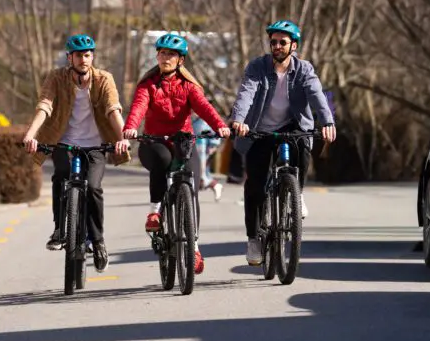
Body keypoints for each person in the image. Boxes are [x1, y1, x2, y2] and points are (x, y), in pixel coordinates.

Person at [117, 33, 231, 275]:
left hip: (183, 141)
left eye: (171, 54)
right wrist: (131, 127)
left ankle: (194, 247)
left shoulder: (189, 86)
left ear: (181, 60)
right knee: (162, 160)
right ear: (157, 56)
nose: (165, 57)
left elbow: (204, 107)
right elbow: (138, 107)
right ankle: (155, 212)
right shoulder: (148, 85)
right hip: (154, 141)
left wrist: (220, 125)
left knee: (192, 187)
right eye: (162, 53)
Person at [229, 20, 336, 266]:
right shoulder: (258, 66)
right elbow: (246, 93)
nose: (277, 46)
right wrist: (239, 120)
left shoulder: (304, 69)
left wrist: (327, 121)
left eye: (282, 42)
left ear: (293, 46)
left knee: (303, 147)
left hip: (292, 126)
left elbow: (317, 95)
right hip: (259, 129)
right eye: (273, 42)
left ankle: (297, 193)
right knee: (255, 186)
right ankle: (254, 239)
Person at [22, 34, 129, 272]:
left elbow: (113, 108)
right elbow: (45, 105)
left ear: (93, 57)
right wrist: (30, 135)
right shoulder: (56, 77)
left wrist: (122, 138)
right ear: (69, 57)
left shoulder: (104, 79)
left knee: (93, 188)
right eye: (79, 55)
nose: (83, 59)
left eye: (87, 55)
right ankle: (59, 229)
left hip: (96, 145)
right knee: (61, 175)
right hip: (64, 143)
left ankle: (98, 241)